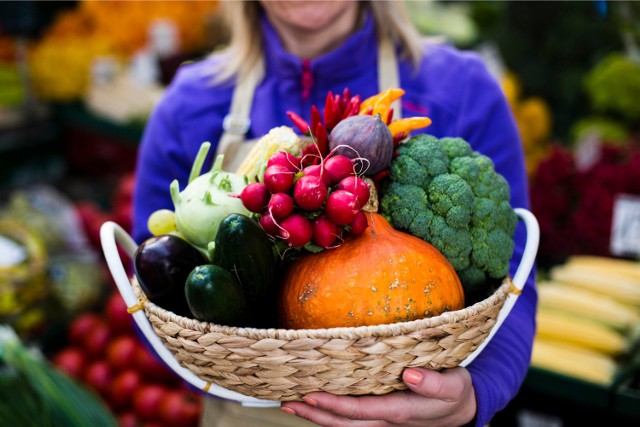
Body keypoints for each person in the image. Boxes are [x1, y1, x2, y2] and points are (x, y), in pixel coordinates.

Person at [132, 1, 537, 426]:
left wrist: (475, 391)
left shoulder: (464, 89)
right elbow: (149, 286)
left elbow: (514, 277)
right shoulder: (188, 103)